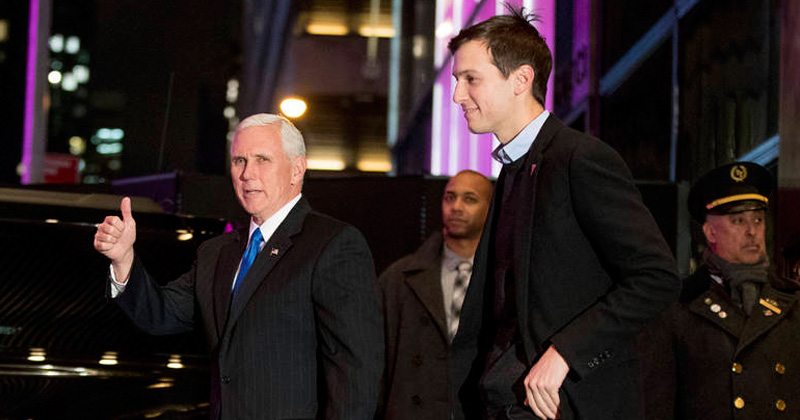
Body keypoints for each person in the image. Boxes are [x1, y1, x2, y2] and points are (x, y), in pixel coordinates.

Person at [445, 8, 680, 420]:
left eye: (471, 79)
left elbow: (656, 277)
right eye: (456, 81)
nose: (457, 95)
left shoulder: (579, 158)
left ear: (521, 80)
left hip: (563, 405)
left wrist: (565, 353)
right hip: (503, 403)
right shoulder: (513, 171)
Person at [93, 113, 383, 420]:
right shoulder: (217, 251)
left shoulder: (333, 244)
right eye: (239, 161)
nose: (247, 173)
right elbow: (160, 315)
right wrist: (123, 259)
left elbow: (355, 372)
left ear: (297, 169)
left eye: (262, 159)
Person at [639, 161, 800, 419]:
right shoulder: (677, 310)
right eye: (738, 220)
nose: (751, 231)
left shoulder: (792, 303)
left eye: (758, 219)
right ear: (711, 232)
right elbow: (656, 406)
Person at [377, 170, 493, 420]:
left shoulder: (504, 279)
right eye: (450, 197)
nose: (456, 207)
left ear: (490, 208)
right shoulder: (399, 278)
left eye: (470, 199)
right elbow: (376, 361)